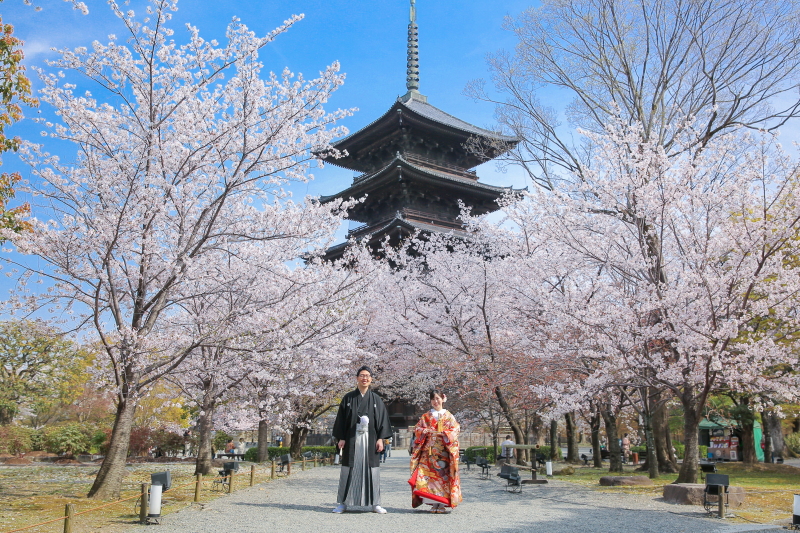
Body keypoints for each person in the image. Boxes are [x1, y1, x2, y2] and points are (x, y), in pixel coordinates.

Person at [331, 365, 393, 514]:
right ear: (357, 378)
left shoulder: (376, 399)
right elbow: (341, 420)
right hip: (352, 439)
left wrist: (380, 439)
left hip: (371, 440)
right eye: (362, 375)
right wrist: (341, 438)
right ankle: (343, 503)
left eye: (367, 376)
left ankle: (375, 503)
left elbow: (382, 421)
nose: (364, 378)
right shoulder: (348, 398)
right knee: (348, 468)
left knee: (372, 470)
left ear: (371, 380)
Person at [408, 389, 462, 513]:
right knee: (428, 477)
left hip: (443, 452)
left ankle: (442, 504)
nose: (435, 401)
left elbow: (456, 429)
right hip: (428, 452)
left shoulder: (449, 416)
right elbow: (417, 429)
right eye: (433, 399)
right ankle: (433, 502)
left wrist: (445, 434)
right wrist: (423, 431)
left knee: (442, 478)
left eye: (437, 398)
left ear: (443, 398)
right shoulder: (426, 416)